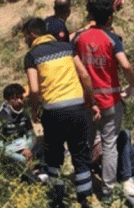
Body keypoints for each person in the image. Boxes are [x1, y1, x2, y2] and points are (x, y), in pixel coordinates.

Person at [22, 17, 96, 208]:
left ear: (32, 34)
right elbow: (85, 75)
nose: (25, 40)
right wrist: (91, 101)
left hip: (53, 112)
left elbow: (34, 89)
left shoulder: (32, 56)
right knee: (80, 153)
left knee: (54, 156)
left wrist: (35, 109)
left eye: (25, 36)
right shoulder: (67, 47)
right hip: (77, 108)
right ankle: (85, 199)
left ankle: (57, 199)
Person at [73, 0, 134, 199]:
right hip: (110, 101)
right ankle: (108, 191)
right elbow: (125, 65)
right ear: (109, 18)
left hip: (87, 101)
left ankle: (82, 184)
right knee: (110, 146)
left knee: (85, 144)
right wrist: (132, 83)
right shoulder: (112, 38)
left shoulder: (79, 38)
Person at [0, 84, 40, 179]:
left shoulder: (24, 115)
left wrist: (27, 148)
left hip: (26, 150)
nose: (20, 101)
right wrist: (20, 151)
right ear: (7, 100)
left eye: (21, 98)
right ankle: (32, 179)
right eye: (15, 98)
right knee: (21, 160)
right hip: (7, 154)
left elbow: (32, 136)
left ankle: (45, 174)